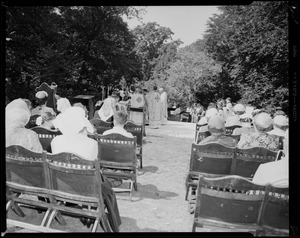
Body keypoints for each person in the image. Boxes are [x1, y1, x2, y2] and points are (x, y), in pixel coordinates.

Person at [50, 106, 121, 231]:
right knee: (107, 188)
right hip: (87, 190)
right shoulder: (91, 143)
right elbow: (95, 170)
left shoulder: (56, 141)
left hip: (60, 186)